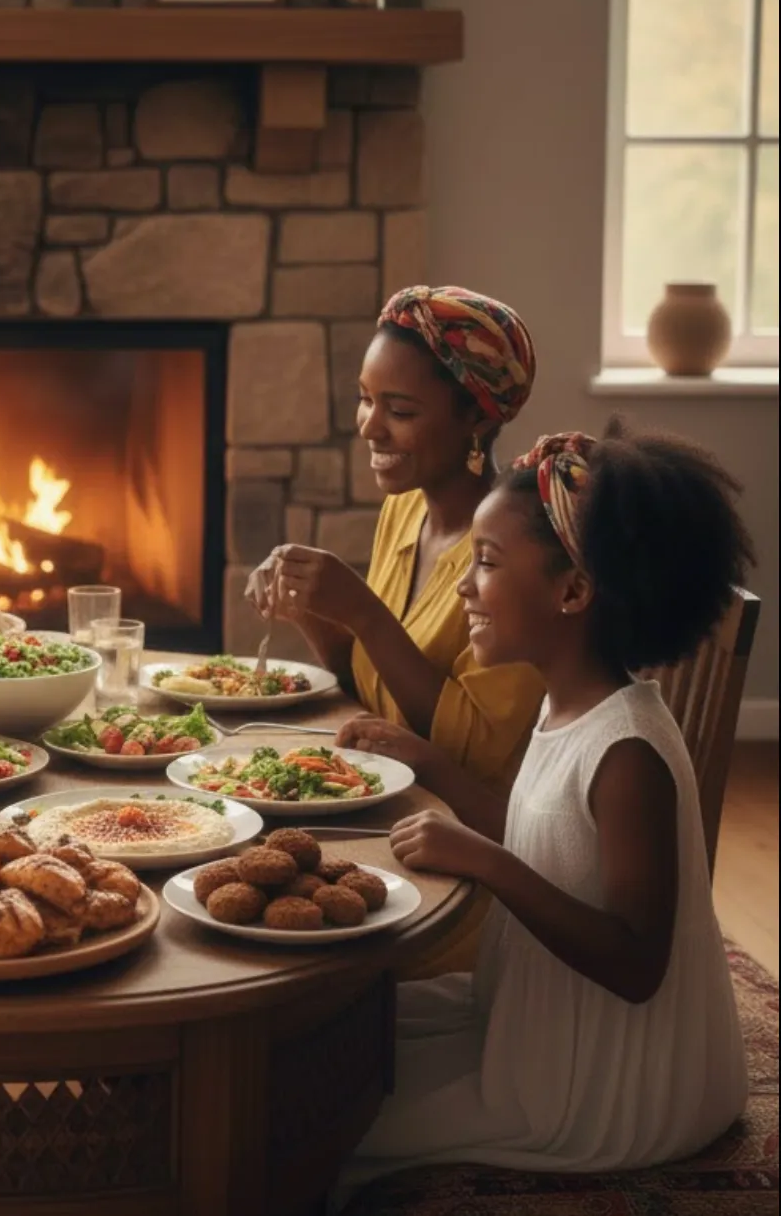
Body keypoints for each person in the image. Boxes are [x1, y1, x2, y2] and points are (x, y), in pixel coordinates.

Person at [337, 424, 750, 1199]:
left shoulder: (629, 752)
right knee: (344, 1041)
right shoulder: (567, 701)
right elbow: (542, 834)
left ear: (572, 592)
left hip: (609, 1083)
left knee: (333, 1131)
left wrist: (486, 864)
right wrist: (430, 762)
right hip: (530, 1012)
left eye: (486, 565)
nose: (464, 586)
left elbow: (636, 963)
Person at [246, 286, 547, 972]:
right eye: (365, 398)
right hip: (389, 815)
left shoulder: (512, 555)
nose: (369, 427)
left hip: (463, 870)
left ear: (475, 415)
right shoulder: (406, 513)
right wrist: (311, 610)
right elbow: (370, 690)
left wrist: (359, 609)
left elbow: (460, 750)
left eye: (399, 409)